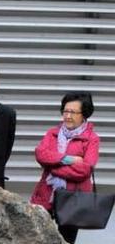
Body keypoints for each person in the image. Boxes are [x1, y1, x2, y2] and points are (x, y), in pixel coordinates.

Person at [30, 92, 99, 244]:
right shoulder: (52, 133)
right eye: (65, 111)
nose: (67, 116)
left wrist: (53, 167)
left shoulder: (91, 139)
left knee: (66, 240)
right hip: (45, 195)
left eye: (73, 112)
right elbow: (40, 154)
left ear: (84, 114)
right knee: (37, 237)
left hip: (73, 200)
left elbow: (85, 170)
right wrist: (68, 159)